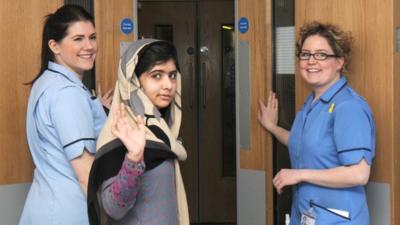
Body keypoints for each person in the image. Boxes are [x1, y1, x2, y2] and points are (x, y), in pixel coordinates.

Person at [258, 22, 375, 224]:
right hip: (307, 213)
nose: (311, 61)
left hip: (337, 219)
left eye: (321, 54)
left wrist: (299, 174)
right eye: (305, 54)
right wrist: (272, 127)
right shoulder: (312, 103)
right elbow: (304, 143)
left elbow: (359, 174)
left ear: (339, 62)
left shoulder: (348, 107)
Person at [19, 5, 112, 225]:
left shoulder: (46, 83)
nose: (89, 46)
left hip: (44, 206)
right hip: (70, 211)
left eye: (92, 37)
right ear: (54, 46)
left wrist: (94, 109)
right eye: (78, 39)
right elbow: (86, 173)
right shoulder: (67, 94)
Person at [87, 39, 189, 225]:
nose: (168, 84)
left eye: (172, 75)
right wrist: (134, 159)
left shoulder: (161, 133)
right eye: (156, 75)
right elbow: (113, 208)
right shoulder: (120, 132)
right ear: (133, 82)